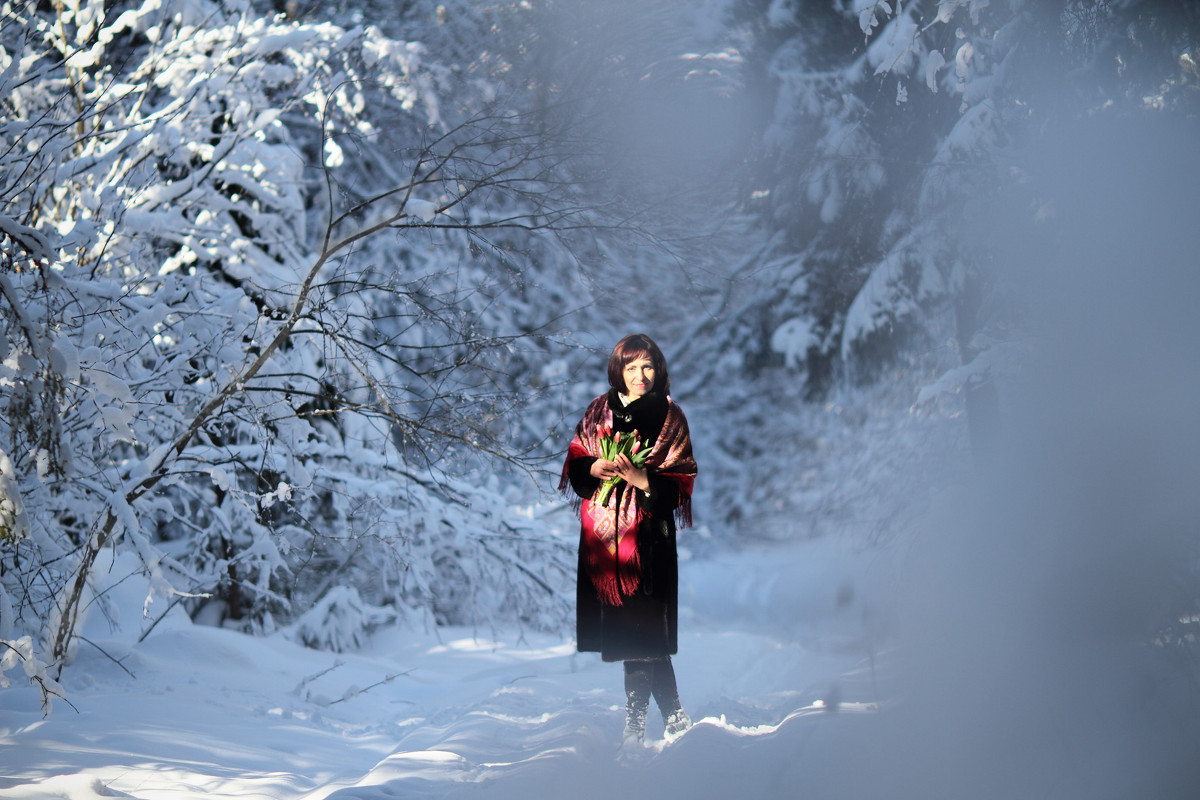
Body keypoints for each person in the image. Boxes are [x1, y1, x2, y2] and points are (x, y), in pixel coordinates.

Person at [559, 333, 698, 744]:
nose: (641, 375)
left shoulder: (672, 418)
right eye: (632, 367)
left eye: (648, 366)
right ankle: (674, 717)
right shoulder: (597, 412)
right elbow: (576, 461)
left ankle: (635, 725)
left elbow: (682, 479)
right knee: (635, 636)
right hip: (605, 545)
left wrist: (643, 480)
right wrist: (594, 467)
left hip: (648, 542)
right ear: (617, 370)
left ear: (659, 369)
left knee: (644, 633)